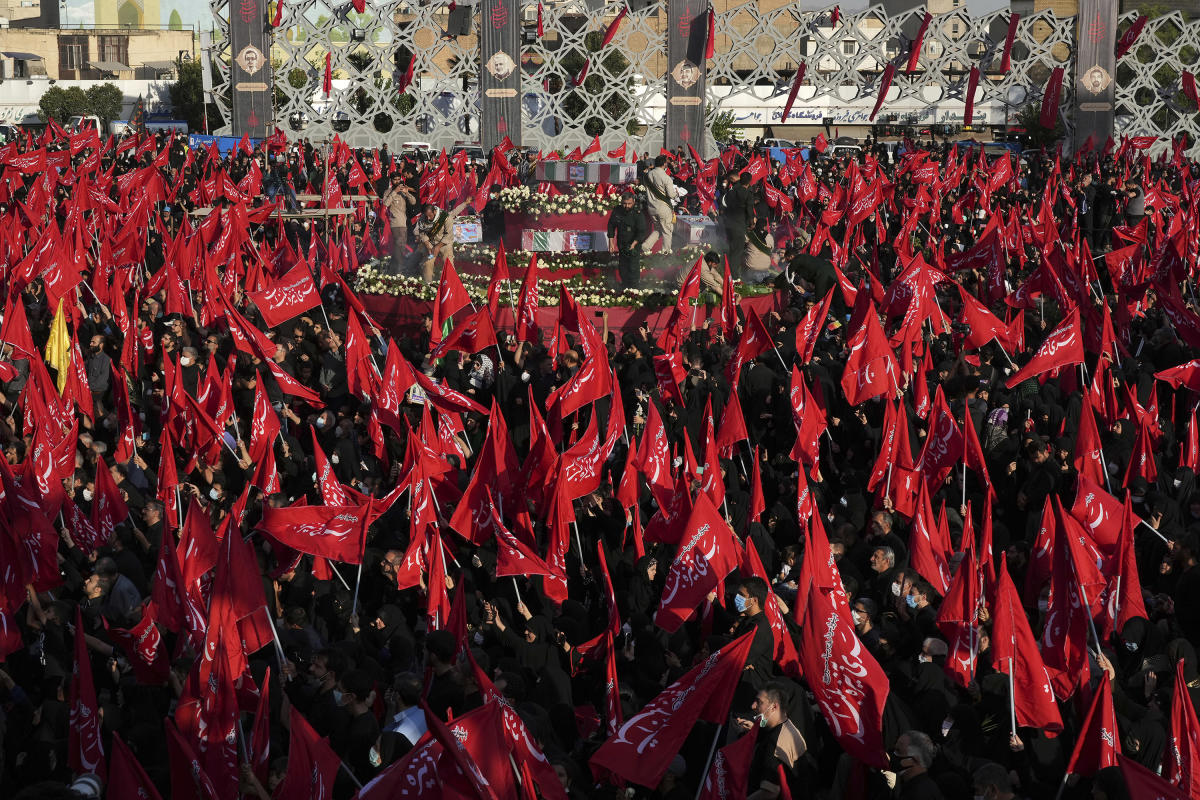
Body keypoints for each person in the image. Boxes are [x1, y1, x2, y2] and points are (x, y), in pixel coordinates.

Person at [412, 199, 470, 282]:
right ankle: (428, 284)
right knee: (427, 263)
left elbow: (448, 235)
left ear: (434, 212)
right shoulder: (423, 218)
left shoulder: (446, 217)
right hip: (431, 243)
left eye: (430, 215)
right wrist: (428, 247)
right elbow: (422, 233)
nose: (428, 218)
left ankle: (450, 284)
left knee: (448, 263)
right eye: (426, 216)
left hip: (444, 244)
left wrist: (438, 247)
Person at [607, 190, 648, 288]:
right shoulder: (618, 210)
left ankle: (634, 288)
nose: (627, 206)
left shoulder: (638, 213)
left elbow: (641, 231)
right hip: (622, 243)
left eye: (629, 204)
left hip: (634, 244)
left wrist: (633, 244)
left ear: (633, 202)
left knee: (633, 267)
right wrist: (611, 243)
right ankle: (625, 286)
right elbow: (611, 225)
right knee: (623, 266)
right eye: (624, 204)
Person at [642, 155, 677, 255]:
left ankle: (645, 246)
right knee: (667, 232)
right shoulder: (666, 177)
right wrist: (677, 193)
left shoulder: (648, 175)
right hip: (663, 207)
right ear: (665, 164)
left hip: (651, 207)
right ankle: (665, 254)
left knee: (658, 229)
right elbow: (671, 195)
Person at [381, 173, 416, 273]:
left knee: (401, 245)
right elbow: (385, 203)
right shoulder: (388, 191)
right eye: (395, 179)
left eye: (398, 179)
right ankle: (399, 267)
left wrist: (407, 193)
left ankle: (394, 266)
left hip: (404, 222)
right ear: (391, 180)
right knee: (399, 243)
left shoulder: (403, 190)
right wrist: (394, 192)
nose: (397, 181)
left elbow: (413, 202)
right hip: (395, 223)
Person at [722, 171, 755, 277]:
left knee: (731, 249)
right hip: (739, 225)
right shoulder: (747, 194)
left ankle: (725, 270)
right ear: (749, 182)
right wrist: (751, 223)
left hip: (728, 224)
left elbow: (724, 204)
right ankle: (733, 275)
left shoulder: (732, 191)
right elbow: (750, 211)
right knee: (737, 251)